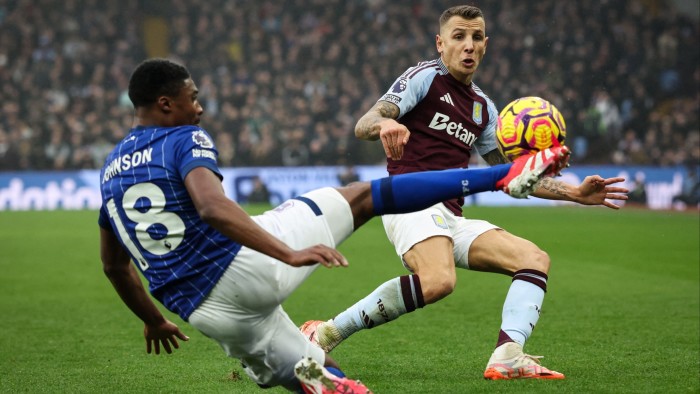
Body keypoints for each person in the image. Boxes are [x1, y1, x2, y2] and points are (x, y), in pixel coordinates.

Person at [98, 58, 570, 392]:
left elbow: (115, 267)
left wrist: (153, 320)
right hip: (250, 268)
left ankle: (325, 346)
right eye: (191, 98)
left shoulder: (111, 171)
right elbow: (212, 207)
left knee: (325, 380)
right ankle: (500, 178)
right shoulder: (184, 137)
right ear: (165, 104)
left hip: (209, 317)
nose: (198, 108)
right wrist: (287, 253)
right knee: (367, 196)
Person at [301, 5, 629, 381]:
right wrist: (387, 123)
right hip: (409, 201)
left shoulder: (484, 110)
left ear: (486, 45)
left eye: (476, 38)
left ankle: (508, 354)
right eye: (458, 37)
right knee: (439, 281)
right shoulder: (425, 78)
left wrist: (575, 194)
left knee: (533, 259)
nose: (468, 45)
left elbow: (510, 175)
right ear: (441, 44)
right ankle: (325, 332)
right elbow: (365, 123)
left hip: (449, 216)